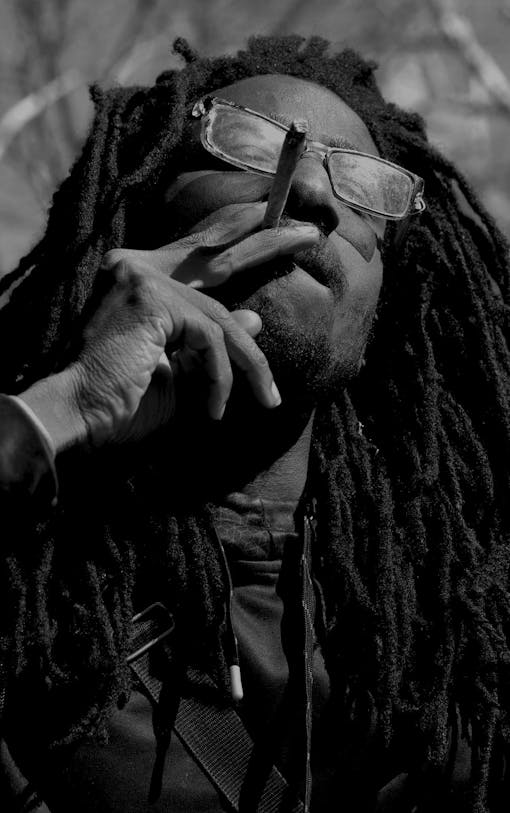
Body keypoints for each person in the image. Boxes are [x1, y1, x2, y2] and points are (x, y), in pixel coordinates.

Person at [1, 34, 510, 813]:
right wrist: (67, 404)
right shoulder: (27, 574)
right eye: (248, 140)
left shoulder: (468, 631)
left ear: (387, 304)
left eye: (365, 183)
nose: (309, 189)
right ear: (139, 213)